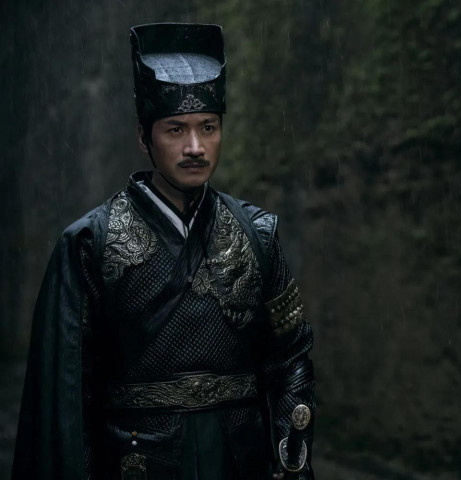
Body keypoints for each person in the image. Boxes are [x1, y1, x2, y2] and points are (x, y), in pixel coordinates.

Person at [12, 23, 315, 480]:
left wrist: (291, 459)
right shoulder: (91, 244)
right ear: (143, 137)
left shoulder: (257, 235)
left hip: (240, 458)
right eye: (176, 129)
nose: (195, 147)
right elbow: (69, 392)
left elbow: (291, 356)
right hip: (136, 462)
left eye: (208, 128)